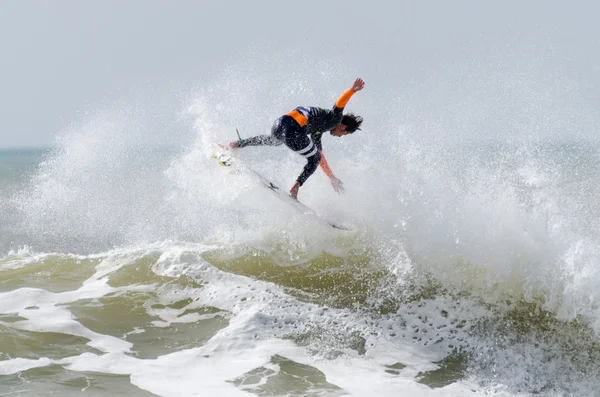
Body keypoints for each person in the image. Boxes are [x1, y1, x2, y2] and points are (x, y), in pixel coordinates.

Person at [229, 78, 365, 200]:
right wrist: (352, 90)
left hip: (280, 123)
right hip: (294, 130)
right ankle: (296, 187)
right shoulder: (335, 119)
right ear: (343, 127)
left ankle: (238, 144)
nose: (340, 137)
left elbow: (321, 156)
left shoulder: (319, 129)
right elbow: (340, 103)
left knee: (274, 141)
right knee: (314, 158)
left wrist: (331, 177)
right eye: (344, 134)